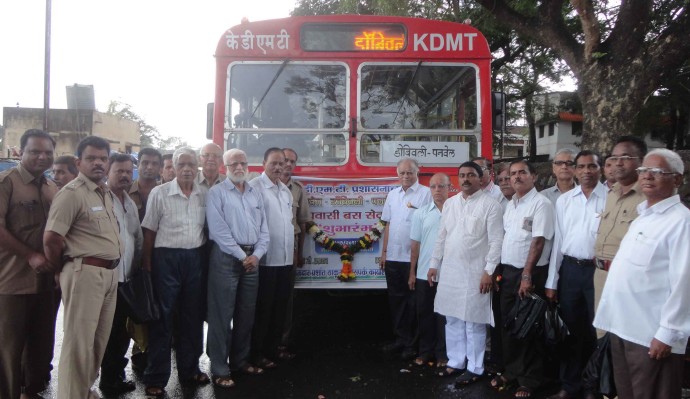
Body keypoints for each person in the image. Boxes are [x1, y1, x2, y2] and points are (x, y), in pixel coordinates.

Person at [593, 149, 689, 399]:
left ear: (677, 179)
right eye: (644, 171)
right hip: (623, 327)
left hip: (650, 334)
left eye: (657, 172)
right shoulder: (643, 217)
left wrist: (668, 333)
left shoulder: (681, 222)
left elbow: (685, 283)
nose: (647, 176)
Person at [43, 136, 122, 399]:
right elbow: (52, 238)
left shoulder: (104, 193)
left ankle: (83, 391)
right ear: (79, 162)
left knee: (97, 343)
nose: (98, 163)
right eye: (91, 158)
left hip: (109, 275)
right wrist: (59, 270)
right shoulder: (72, 194)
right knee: (78, 344)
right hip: (84, 273)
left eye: (102, 158)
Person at [141, 147, 210, 397]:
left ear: (197, 167)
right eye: (182, 165)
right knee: (163, 319)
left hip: (195, 259)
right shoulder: (160, 193)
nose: (187, 169)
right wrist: (147, 267)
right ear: (173, 167)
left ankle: (190, 369)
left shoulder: (204, 194)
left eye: (192, 164)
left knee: (192, 318)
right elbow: (148, 232)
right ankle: (156, 377)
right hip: (165, 260)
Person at [428, 162, 503, 385]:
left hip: (475, 273)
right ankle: (456, 362)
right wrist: (434, 264)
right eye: (462, 175)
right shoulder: (450, 204)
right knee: (452, 319)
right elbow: (442, 236)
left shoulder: (491, 205)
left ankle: (475, 367)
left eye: (471, 175)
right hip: (451, 271)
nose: (465, 179)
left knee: (474, 322)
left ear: (481, 179)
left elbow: (497, 241)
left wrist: (489, 271)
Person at [0, 129, 57, 399]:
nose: (42, 156)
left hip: (46, 284)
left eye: (47, 152)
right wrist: (30, 255)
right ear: (21, 152)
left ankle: (31, 393)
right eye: (35, 151)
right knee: (9, 351)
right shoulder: (7, 182)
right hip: (12, 281)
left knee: (40, 350)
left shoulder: (51, 187)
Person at [545, 151, 607, 399]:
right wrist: (552, 282)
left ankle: (595, 387)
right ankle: (569, 386)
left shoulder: (610, 198)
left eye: (592, 166)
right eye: (581, 166)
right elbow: (558, 243)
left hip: (598, 272)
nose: (586, 171)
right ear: (575, 170)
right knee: (570, 331)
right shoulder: (565, 201)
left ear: (600, 169)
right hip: (570, 271)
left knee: (598, 332)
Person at [206, 149, 270, 388]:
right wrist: (243, 255)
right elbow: (218, 231)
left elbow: (264, 229)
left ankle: (240, 362)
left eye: (243, 162)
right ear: (225, 167)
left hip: (252, 259)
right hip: (226, 258)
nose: (239, 167)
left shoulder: (255, 193)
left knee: (246, 314)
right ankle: (220, 369)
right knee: (221, 316)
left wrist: (257, 255)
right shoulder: (217, 193)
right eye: (234, 163)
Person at [491, 160, 555, 399]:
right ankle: (512, 371)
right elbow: (507, 239)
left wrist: (527, 275)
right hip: (508, 272)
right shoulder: (512, 205)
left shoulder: (541, 204)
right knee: (509, 326)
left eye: (522, 173)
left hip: (529, 274)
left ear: (534, 176)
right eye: (513, 174)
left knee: (528, 327)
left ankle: (530, 380)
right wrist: (498, 271)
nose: (516, 178)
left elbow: (538, 241)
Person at [98, 153, 142, 394]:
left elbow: (136, 239)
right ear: (108, 171)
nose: (125, 175)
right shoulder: (101, 198)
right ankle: (105, 378)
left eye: (128, 171)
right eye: (119, 171)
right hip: (106, 279)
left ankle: (115, 374)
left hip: (126, 280)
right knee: (105, 332)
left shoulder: (129, 202)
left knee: (121, 332)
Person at [593, 136, 647, 330]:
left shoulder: (647, 198)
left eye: (625, 157)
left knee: (625, 337)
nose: (618, 162)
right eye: (614, 158)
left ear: (642, 161)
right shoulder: (612, 193)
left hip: (627, 279)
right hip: (600, 275)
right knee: (603, 337)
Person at [380, 158, 432, 360]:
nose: (406, 176)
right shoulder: (393, 195)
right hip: (393, 258)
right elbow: (387, 225)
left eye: (409, 172)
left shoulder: (426, 194)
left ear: (417, 172)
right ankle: (400, 339)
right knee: (396, 301)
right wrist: (384, 253)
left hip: (414, 259)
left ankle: (413, 344)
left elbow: (428, 226)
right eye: (402, 173)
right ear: (397, 174)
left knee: (414, 303)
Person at [248, 148, 295, 369]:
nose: (278, 167)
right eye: (273, 163)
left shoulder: (285, 191)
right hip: (266, 260)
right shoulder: (255, 187)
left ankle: (273, 349)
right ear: (263, 163)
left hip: (285, 260)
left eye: (281, 163)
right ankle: (256, 354)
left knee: (279, 309)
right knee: (263, 310)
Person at [408, 173, 450, 368]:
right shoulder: (420, 213)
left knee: (445, 317)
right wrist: (412, 273)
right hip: (425, 273)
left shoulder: (456, 212)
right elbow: (415, 246)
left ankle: (443, 354)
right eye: (433, 187)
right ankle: (425, 352)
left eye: (441, 186)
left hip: (450, 274)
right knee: (424, 314)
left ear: (449, 188)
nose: (437, 190)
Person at [278, 147, 311, 356]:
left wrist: (299, 253)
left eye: (292, 161)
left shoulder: (297, 189)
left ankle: (281, 343)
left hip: (291, 245)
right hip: (266, 247)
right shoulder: (259, 186)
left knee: (286, 297)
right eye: (284, 160)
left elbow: (303, 222)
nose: (288, 164)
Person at [129, 147, 162, 221]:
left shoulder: (165, 193)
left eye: (154, 164)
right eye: (145, 163)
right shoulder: (125, 191)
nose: (150, 167)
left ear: (160, 167)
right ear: (138, 165)